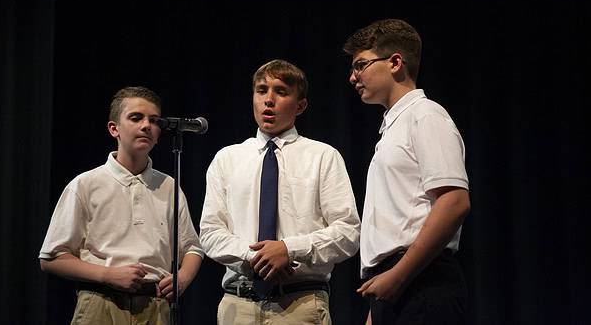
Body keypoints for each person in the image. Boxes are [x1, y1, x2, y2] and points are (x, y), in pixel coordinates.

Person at [200, 59, 361, 325]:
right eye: (261, 90)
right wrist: (254, 257)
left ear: (301, 106)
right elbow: (210, 232)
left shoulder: (322, 156)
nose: (269, 100)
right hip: (238, 306)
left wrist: (289, 249)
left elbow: (347, 232)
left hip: (300, 304)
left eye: (281, 92)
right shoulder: (227, 158)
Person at [39, 86, 203, 325]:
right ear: (114, 129)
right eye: (136, 118)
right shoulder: (86, 184)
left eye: (154, 120)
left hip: (154, 306)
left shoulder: (168, 186)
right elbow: (51, 257)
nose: (146, 125)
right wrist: (107, 274)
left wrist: (184, 276)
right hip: (101, 303)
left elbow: (192, 248)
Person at [344, 19, 470, 325]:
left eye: (361, 65)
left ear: (395, 62)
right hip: (395, 288)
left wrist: (399, 276)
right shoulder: (392, 129)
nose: (352, 77)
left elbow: (454, 202)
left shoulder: (425, 116)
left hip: (422, 282)